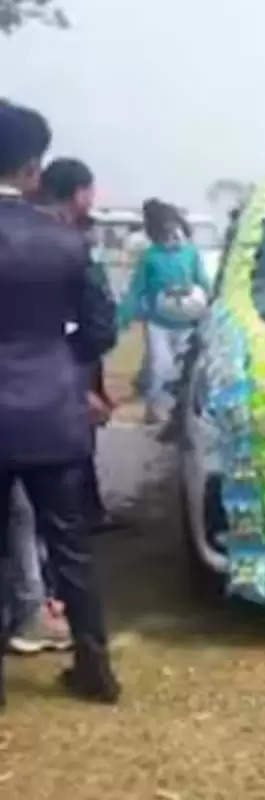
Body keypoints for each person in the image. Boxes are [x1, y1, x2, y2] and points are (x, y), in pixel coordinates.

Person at [0, 100, 120, 704]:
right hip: (51, 410)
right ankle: (96, 668)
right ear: (32, 168)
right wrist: (63, 370)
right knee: (70, 545)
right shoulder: (67, 242)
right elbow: (101, 328)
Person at [38, 158, 122, 533]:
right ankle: (76, 519)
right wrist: (80, 378)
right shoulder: (71, 243)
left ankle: (85, 511)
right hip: (67, 358)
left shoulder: (24, 233)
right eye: (89, 190)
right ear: (79, 193)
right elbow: (98, 321)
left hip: (43, 359)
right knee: (71, 444)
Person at [117, 199, 211, 424]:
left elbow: (203, 282)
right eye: (165, 233)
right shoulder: (150, 256)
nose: (171, 237)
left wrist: (209, 306)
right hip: (158, 323)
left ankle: (176, 415)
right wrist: (125, 316)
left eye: (174, 231)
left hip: (187, 322)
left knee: (181, 370)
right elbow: (137, 289)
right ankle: (152, 408)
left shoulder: (191, 254)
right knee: (159, 366)